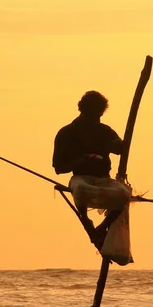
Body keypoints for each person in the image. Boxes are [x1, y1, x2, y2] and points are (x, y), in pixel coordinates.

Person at [52, 91, 130, 248]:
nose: (96, 120)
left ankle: (103, 226)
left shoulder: (104, 130)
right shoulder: (66, 133)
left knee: (123, 194)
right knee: (80, 189)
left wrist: (118, 145)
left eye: (99, 115)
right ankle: (86, 219)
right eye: (93, 115)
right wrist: (80, 161)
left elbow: (120, 148)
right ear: (83, 110)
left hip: (103, 178)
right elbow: (59, 168)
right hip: (80, 177)